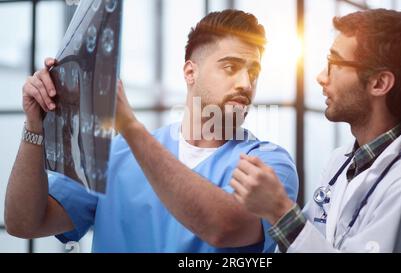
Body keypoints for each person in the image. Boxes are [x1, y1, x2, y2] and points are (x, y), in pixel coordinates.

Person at [5, 9, 299, 253]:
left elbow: (224, 228)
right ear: (190, 72)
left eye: (254, 72)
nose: (246, 84)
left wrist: (129, 126)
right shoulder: (114, 154)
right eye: (231, 67)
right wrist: (34, 125)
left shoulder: (268, 166)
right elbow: (24, 222)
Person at [231, 9, 401, 253]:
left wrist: (279, 211)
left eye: (334, 64)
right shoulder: (341, 162)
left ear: (379, 83)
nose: (321, 77)